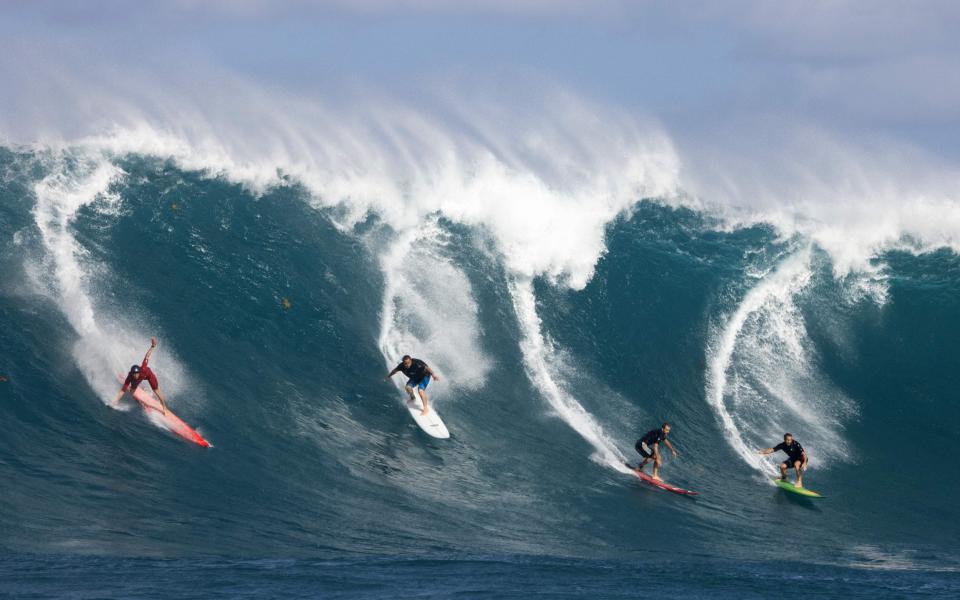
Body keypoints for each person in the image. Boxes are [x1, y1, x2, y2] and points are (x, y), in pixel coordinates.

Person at [113, 337, 169, 415]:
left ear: (139, 372)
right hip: (139, 380)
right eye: (133, 374)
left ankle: (164, 408)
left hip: (149, 376)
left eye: (136, 374)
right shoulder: (130, 377)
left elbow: (147, 356)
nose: (135, 375)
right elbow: (122, 390)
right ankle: (140, 392)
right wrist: (116, 400)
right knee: (131, 392)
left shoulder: (143, 369)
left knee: (157, 391)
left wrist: (152, 346)